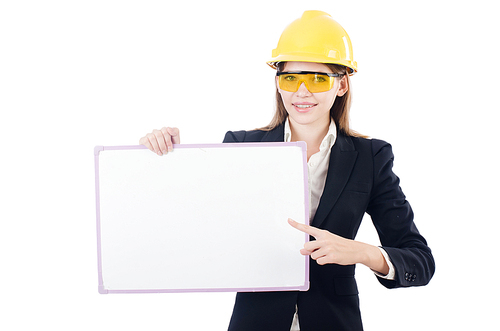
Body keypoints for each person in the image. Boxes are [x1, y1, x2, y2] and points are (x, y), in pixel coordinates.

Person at [139, 10, 435, 331]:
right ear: (278, 82)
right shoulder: (241, 146)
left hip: (334, 321)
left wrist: (361, 252)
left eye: (318, 78)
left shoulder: (371, 157)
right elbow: (196, 226)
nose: (302, 92)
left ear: (342, 84)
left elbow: (420, 261)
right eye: (290, 78)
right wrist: (171, 161)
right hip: (256, 321)